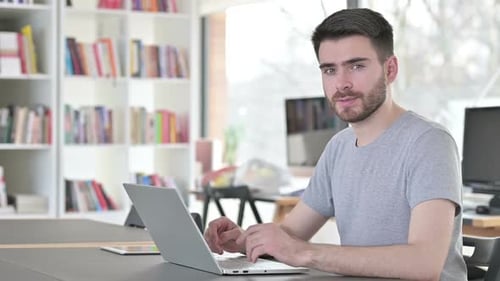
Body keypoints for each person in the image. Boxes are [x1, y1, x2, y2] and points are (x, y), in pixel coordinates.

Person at [204, 8, 467, 281]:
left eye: (356, 66)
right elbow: (292, 235)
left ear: (390, 69)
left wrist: (304, 253)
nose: (341, 83)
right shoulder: (338, 148)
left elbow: (424, 264)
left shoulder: (429, 142)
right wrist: (247, 239)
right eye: (330, 70)